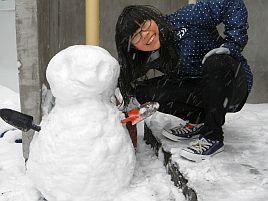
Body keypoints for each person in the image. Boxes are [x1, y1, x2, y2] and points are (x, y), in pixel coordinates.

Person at [115, 0, 253, 162]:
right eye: (136, 35)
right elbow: (122, 80)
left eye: (145, 25)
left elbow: (230, 2)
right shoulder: (146, 56)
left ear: (153, 18)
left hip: (233, 86)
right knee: (143, 92)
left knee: (216, 61)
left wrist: (232, 44)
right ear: (132, 46)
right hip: (203, 92)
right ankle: (200, 120)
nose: (145, 34)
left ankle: (212, 137)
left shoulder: (186, 18)